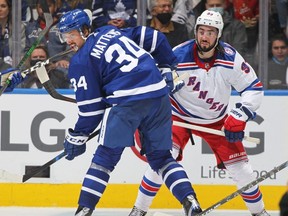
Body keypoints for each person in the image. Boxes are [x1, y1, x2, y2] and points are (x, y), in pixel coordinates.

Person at [58, 8, 202, 216]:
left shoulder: (80, 62)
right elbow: (154, 37)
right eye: (65, 36)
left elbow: (91, 111)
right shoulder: (110, 31)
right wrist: (166, 66)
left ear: (86, 30)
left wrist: (76, 136)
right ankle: (190, 201)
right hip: (158, 96)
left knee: (104, 158)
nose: (68, 41)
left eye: (71, 34)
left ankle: (84, 210)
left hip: (127, 102)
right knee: (161, 158)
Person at [128, 10, 270, 216]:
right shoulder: (177, 55)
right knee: (162, 160)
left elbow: (253, 88)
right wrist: (163, 84)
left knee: (242, 171)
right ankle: (139, 210)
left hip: (216, 120)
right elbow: (151, 80)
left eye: (210, 32)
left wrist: (240, 115)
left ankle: (259, 213)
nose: (204, 37)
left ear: (219, 35)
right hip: (177, 116)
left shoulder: (230, 59)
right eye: (201, 31)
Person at [25, 0, 71, 73]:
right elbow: (27, 51)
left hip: (60, 68)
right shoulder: (30, 28)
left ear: (55, 7)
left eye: (48, 6)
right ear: (36, 8)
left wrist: (66, 60)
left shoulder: (65, 26)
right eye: (41, 7)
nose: (44, 10)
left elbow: (71, 46)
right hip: (36, 68)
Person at [0, 0, 26, 67]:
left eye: (3, 6)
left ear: (9, 9)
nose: (0, 9)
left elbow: (21, 52)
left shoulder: (18, 27)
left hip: (13, 67)